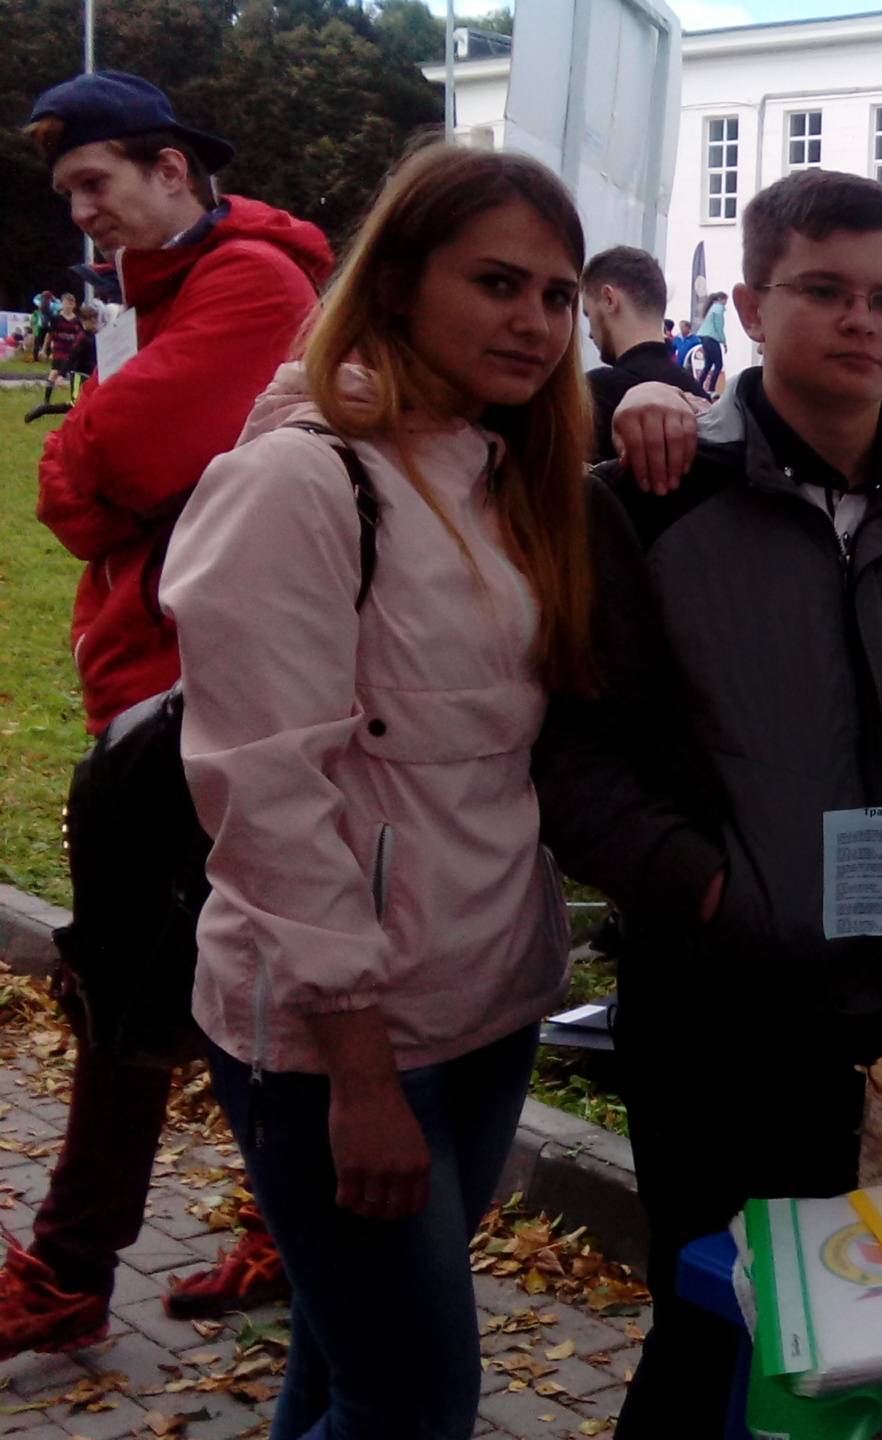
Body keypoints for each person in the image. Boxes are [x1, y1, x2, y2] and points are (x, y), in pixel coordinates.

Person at [533, 168, 882, 1439]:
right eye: (823, 290)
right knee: (719, 1321)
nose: (860, 319)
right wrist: (709, 893)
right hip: (719, 1009)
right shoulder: (642, 506)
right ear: (751, 307)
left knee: (867, 1319)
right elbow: (573, 758)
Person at [159, 142, 590, 1440]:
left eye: (559, 296)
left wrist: (651, 414)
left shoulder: (506, 474)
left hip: (488, 999)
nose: (535, 323)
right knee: (412, 1401)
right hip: (339, 1035)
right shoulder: (298, 480)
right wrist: (356, 1070)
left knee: (347, 1358)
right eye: (498, 283)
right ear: (396, 283)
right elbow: (265, 797)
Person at [1, 70, 332, 1361]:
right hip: (166, 680)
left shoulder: (249, 282)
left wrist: (97, 468)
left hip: (199, 695)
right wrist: (110, 475)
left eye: (96, 182)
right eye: (67, 193)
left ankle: (71, 1270)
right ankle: (285, 1229)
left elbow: (95, 469)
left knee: (134, 982)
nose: (82, 212)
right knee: (217, 974)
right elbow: (115, 473)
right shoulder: (165, 291)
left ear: (173, 169)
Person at [580, 245, 706, 460]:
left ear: (609, 299)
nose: (590, 334)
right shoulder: (698, 398)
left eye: (588, 314)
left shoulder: (595, 394)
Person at [694, 291, 728, 392]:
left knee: (708, 364)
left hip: (704, 338)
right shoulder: (718, 308)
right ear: (722, 299)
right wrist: (723, 342)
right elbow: (719, 326)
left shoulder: (711, 308)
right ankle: (711, 389)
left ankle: (698, 387)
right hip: (712, 338)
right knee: (718, 365)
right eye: (726, 300)